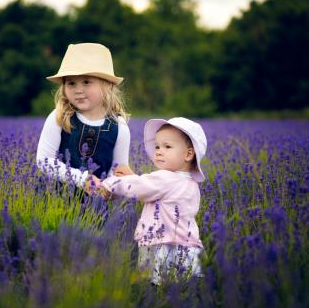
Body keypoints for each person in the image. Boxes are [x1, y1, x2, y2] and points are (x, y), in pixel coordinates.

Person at [99, 117, 207, 285]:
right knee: (183, 293)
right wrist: (134, 177)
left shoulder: (164, 178)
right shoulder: (191, 184)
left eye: (167, 147)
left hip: (161, 248)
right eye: (157, 146)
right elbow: (150, 189)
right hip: (188, 249)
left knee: (155, 289)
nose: (158, 151)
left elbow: (138, 187)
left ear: (188, 154)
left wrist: (108, 184)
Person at [36, 42, 130, 195]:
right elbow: (44, 161)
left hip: (95, 207)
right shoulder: (59, 117)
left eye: (86, 82)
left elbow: (118, 169)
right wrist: (81, 179)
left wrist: (111, 188)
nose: (78, 90)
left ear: (107, 85)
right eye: (71, 83)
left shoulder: (118, 126)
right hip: (55, 200)